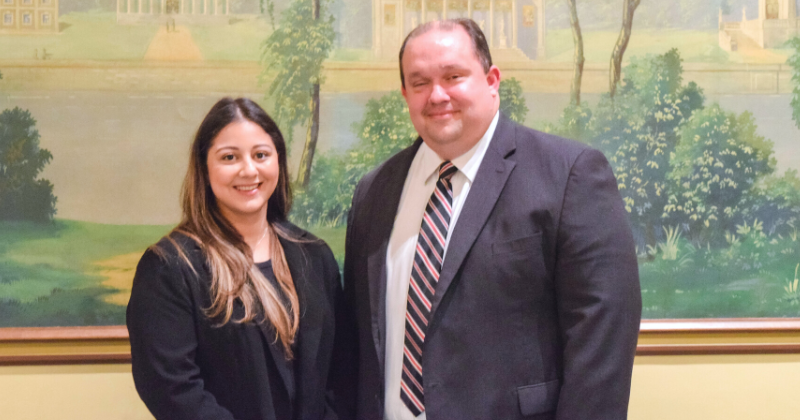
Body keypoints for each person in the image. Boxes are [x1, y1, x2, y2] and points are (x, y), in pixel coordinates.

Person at [340, 19, 642, 420]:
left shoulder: (569, 175)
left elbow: (602, 336)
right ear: (405, 94)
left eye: (453, 76)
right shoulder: (374, 191)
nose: (437, 95)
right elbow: (357, 343)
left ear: (492, 80)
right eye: (420, 82)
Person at [127, 97, 344, 420]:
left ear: (278, 161)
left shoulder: (314, 256)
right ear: (204, 168)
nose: (249, 170)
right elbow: (171, 388)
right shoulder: (169, 268)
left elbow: (341, 369)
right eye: (229, 157)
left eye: (261, 155)